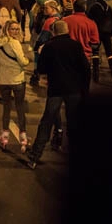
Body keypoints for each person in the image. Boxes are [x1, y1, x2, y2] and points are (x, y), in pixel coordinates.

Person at [26, 21, 91, 169]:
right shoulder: (75, 45)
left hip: (56, 89)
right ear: (66, 30)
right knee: (74, 122)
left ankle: (35, 155)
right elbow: (85, 68)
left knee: (47, 121)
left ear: (53, 32)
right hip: (74, 89)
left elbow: (41, 68)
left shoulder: (49, 47)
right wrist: (85, 90)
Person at [0, 20, 32, 153]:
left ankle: (4, 137)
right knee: (20, 107)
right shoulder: (14, 43)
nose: (15, 31)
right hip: (17, 80)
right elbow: (23, 62)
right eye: (13, 29)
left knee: (6, 108)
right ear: (7, 30)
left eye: (17, 29)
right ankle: (23, 136)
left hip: (4, 80)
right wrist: (27, 60)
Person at [64, 0, 100, 83]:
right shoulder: (91, 23)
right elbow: (95, 43)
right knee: (83, 84)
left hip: (67, 57)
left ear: (73, 7)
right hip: (84, 57)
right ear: (85, 8)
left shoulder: (65, 20)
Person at [87, 0, 112, 82]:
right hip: (107, 32)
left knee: (95, 52)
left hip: (96, 32)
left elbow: (89, 20)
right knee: (109, 51)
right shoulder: (108, 7)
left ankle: (96, 74)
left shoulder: (93, 7)